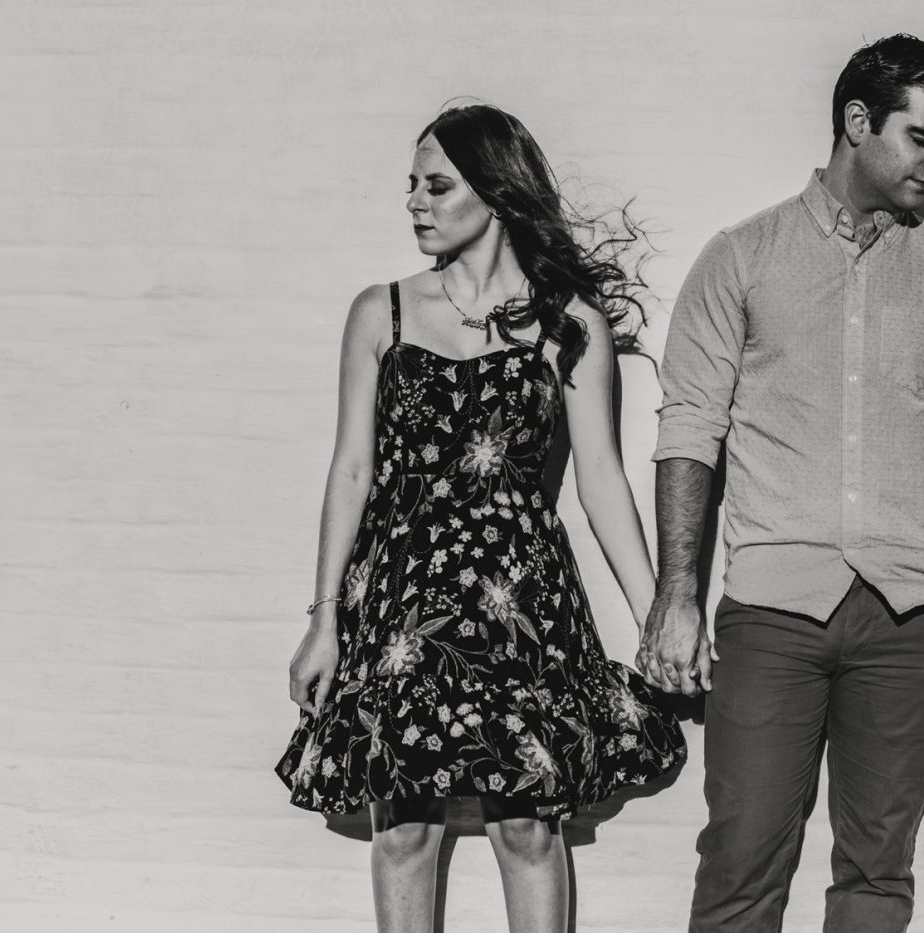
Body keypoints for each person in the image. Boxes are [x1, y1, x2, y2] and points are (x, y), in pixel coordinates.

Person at [639, 34, 924, 932]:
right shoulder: (743, 257)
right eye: (923, 136)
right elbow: (690, 430)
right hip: (775, 607)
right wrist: (677, 596)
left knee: (878, 870)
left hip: (912, 610)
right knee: (741, 860)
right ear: (857, 122)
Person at [277, 103, 685, 933]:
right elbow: (351, 469)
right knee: (403, 832)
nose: (415, 204)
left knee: (530, 827)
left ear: (495, 193)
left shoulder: (569, 324)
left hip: (522, 600)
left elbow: (600, 477)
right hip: (402, 602)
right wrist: (324, 619)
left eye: (437, 185)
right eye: (413, 186)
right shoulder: (380, 312)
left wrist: (657, 618)